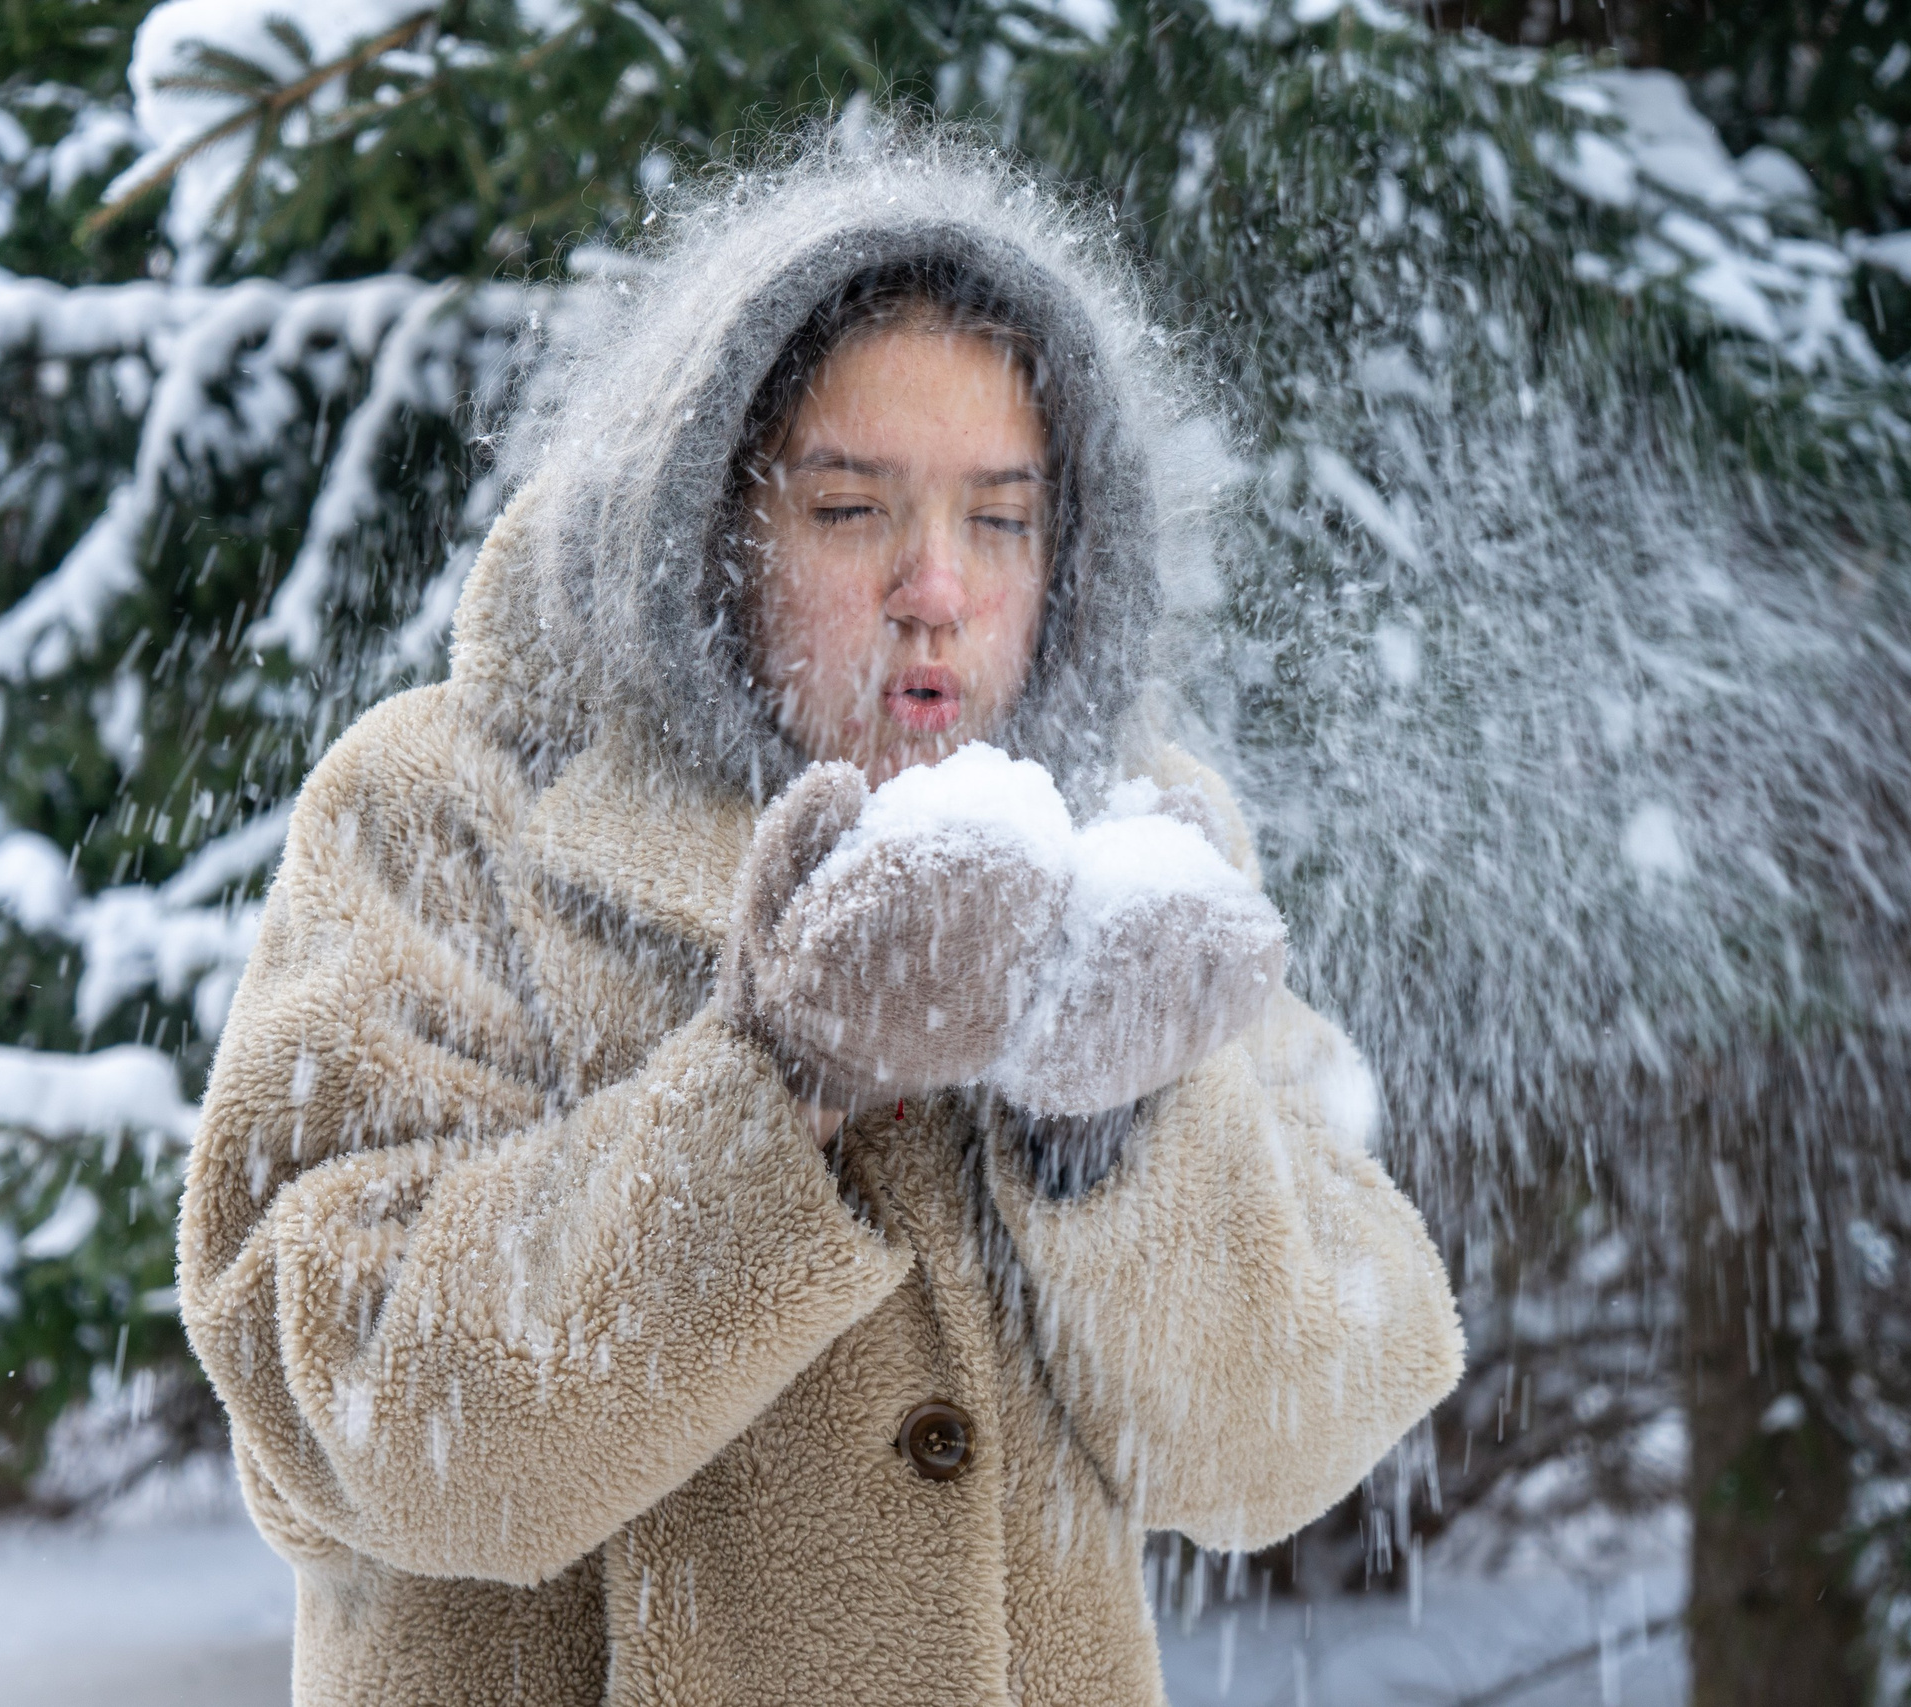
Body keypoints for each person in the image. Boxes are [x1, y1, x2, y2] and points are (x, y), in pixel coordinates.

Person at [178, 136, 1464, 1707]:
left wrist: (1122, 1134)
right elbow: (355, 1412)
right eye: (853, 508)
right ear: (703, 519)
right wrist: (780, 1087)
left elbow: (1290, 1441)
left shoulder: (1130, 842)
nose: (939, 587)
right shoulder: (447, 812)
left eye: (1003, 519)